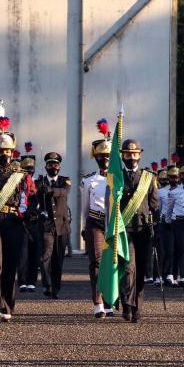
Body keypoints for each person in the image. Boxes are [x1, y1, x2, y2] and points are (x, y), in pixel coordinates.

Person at [0, 117, 34, 322]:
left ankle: (8, 303)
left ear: (13, 152)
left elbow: (30, 197)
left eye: (7, 151)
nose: (4, 154)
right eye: (0, 151)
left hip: (14, 222)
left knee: (11, 266)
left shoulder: (20, 175)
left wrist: (30, 212)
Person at [114, 139, 160, 322]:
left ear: (139, 155)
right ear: (123, 156)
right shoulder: (117, 177)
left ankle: (137, 305)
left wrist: (157, 230)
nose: (131, 158)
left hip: (143, 230)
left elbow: (155, 206)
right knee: (128, 268)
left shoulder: (148, 178)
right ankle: (127, 304)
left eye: (134, 154)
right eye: (127, 154)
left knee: (141, 269)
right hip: (125, 230)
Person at [81, 130, 112, 318]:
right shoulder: (89, 180)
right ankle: (98, 302)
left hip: (113, 223)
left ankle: (110, 300)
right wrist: (85, 227)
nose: (104, 159)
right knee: (97, 263)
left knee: (113, 262)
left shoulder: (119, 178)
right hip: (95, 221)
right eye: (101, 156)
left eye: (107, 156)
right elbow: (85, 207)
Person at [35, 152, 72, 299]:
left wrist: (51, 190)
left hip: (62, 226)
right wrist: (40, 189)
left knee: (58, 258)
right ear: (46, 166)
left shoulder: (65, 180)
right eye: (50, 165)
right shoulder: (40, 181)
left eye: (55, 165)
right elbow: (35, 194)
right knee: (46, 256)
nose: (53, 167)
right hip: (47, 224)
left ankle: (56, 288)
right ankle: (47, 284)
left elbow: (65, 192)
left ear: (59, 166)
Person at [166, 163, 184, 289]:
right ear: (180, 176)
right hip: (179, 222)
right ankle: (182, 277)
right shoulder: (174, 192)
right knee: (183, 249)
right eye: (183, 174)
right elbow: (169, 208)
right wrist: (168, 222)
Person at [18, 146, 41, 293]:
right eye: (25, 169)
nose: (28, 172)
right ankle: (22, 281)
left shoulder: (39, 183)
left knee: (34, 253)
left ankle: (32, 280)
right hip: (20, 221)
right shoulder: (17, 184)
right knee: (22, 254)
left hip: (34, 221)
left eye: (30, 169)